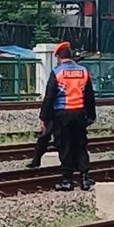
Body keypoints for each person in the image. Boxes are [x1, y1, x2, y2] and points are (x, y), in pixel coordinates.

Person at [39, 42, 96, 191]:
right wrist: (91, 115)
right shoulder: (83, 71)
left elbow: (49, 97)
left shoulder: (57, 72)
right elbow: (90, 95)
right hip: (80, 113)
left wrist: (44, 117)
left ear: (58, 57)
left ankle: (67, 180)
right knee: (80, 145)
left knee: (65, 146)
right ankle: (84, 178)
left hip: (62, 114)